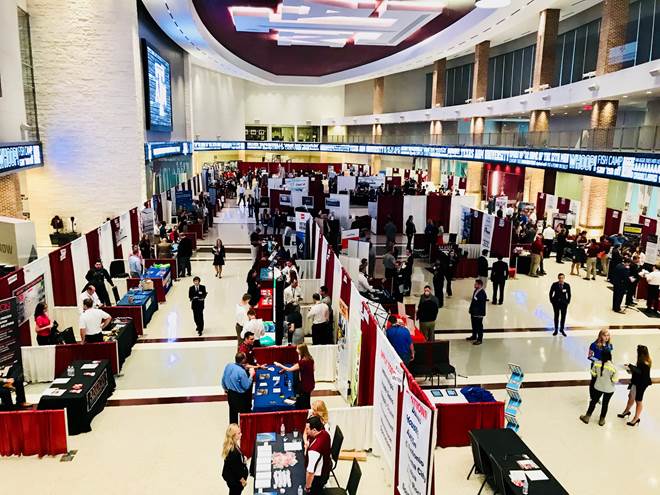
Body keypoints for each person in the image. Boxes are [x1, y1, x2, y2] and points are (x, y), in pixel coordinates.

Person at [580, 350, 618, 426]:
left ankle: (587, 417)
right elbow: (615, 380)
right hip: (609, 389)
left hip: (598, 387)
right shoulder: (613, 368)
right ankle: (602, 420)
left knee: (593, 401)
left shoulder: (596, 364)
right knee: (605, 404)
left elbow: (593, 374)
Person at [618, 345, 652, 426]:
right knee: (630, 396)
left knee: (638, 401)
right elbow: (639, 372)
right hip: (636, 382)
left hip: (641, 384)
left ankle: (636, 418)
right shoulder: (642, 360)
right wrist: (631, 370)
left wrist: (631, 367)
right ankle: (626, 411)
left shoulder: (645, 363)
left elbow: (641, 373)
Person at [275, 344, 315, 409]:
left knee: (304, 401)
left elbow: (290, 369)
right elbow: (313, 369)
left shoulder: (303, 362)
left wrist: (279, 365)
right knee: (307, 398)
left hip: (305, 385)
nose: (296, 350)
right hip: (310, 383)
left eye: (297, 349)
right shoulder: (310, 358)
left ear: (302, 350)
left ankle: (303, 411)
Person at [221, 352, 255, 424]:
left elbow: (223, 379)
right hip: (240, 397)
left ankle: (233, 430)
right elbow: (246, 386)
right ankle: (245, 428)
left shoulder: (229, 365)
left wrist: (225, 389)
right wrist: (251, 375)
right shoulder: (241, 372)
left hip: (230, 394)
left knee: (232, 413)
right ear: (243, 360)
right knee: (245, 413)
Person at [305, 415, 332, 494]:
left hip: (317, 480)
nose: (306, 431)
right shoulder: (325, 433)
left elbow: (310, 473)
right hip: (326, 470)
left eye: (307, 429)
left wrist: (307, 487)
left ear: (314, 430)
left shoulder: (314, 451)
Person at [221, 424, 249, 495]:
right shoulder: (233, 451)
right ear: (233, 435)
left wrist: (243, 459)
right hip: (235, 483)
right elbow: (236, 470)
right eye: (239, 433)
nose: (241, 434)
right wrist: (243, 481)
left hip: (235, 482)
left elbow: (236, 462)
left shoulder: (235, 445)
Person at [467, 279, 487, 345]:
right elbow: (473, 301)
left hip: (478, 313)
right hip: (473, 312)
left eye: (476, 284)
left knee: (479, 326)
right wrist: (471, 309)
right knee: (474, 325)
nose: (474, 285)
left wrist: (477, 313)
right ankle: (474, 335)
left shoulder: (482, 293)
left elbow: (481, 305)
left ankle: (479, 339)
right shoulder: (476, 290)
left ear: (480, 285)